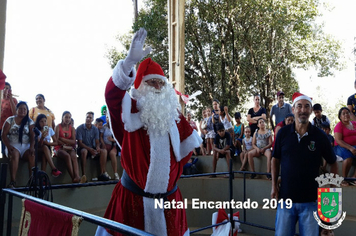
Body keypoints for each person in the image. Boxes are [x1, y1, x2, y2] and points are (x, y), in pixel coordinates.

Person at [95, 28, 201, 236]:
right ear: (139, 86)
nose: (157, 86)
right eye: (151, 81)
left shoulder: (175, 117)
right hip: (132, 204)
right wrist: (127, 64)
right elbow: (112, 95)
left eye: (160, 82)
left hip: (170, 205)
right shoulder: (129, 111)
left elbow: (186, 152)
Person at [271, 92, 338, 236]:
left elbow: (333, 163)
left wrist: (331, 193)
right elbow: (275, 159)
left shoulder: (320, 136)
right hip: (285, 201)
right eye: (299, 106)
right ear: (293, 109)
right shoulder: (282, 133)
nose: (303, 110)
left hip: (311, 203)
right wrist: (273, 186)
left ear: (311, 111)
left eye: (307, 106)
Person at [1, 102, 35, 188]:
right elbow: (3, 134)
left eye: (24, 109)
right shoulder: (10, 120)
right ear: (16, 110)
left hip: (26, 146)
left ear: (27, 111)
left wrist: (31, 147)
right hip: (12, 145)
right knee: (14, 154)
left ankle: (32, 181)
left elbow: (32, 135)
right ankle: (13, 181)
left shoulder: (30, 121)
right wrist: (8, 146)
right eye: (20, 109)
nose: (22, 111)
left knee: (32, 155)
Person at [76, 112, 109, 183]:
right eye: (87, 117)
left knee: (104, 151)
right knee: (84, 151)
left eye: (90, 118)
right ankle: (84, 175)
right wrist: (89, 149)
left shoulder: (95, 129)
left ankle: (102, 173)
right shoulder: (79, 128)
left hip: (92, 149)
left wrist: (97, 147)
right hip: (83, 148)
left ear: (92, 119)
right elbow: (80, 143)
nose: (88, 119)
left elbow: (97, 141)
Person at [54, 111, 81, 183]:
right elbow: (56, 140)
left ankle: (77, 176)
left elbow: (73, 141)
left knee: (74, 156)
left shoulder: (71, 128)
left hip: (68, 147)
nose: (67, 119)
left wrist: (62, 139)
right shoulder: (57, 127)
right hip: (59, 148)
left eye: (69, 117)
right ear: (62, 117)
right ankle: (73, 177)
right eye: (66, 117)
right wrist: (65, 143)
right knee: (67, 156)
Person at [333, 107, 356, 186]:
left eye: (347, 113)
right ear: (340, 116)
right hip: (340, 146)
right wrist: (350, 148)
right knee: (349, 157)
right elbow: (338, 140)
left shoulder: (354, 124)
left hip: (354, 146)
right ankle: (343, 179)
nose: (346, 115)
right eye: (343, 113)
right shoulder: (339, 126)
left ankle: (353, 178)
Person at [0, 82, 18, 157]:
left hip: (7, 128)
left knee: (5, 150)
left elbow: (15, 114)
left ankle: (5, 167)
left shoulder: (13, 100)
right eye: (4, 88)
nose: (5, 90)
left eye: (7, 88)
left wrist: (10, 98)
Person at [100, 113, 119, 180]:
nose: (109, 119)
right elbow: (101, 137)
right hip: (105, 145)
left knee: (112, 154)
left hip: (113, 146)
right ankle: (104, 172)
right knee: (104, 152)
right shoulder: (104, 127)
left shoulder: (116, 127)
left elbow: (119, 139)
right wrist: (103, 144)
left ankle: (115, 173)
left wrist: (112, 140)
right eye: (107, 117)